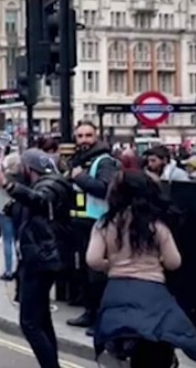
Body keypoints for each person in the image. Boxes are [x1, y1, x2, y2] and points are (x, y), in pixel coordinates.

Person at [87, 170, 196, 368]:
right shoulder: (156, 226)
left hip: (116, 291)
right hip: (153, 294)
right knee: (159, 341)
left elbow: (93, 259)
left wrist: (112, 265)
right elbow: (174, 262)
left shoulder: (104, 224)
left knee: (117, 344)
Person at [0, 149, 74, 368]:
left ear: (29, 168)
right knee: (41, 320)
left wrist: (8, 185)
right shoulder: (44, 184)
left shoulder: (50, 185)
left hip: (42, 259)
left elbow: (39, 201)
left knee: (29, 322)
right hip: (38, 257)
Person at [66, 120, 118, 333]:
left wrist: (80, 177)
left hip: (98, 222)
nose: (84, 140)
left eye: (88, 135)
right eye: (80, 136)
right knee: (84, 272)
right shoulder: (79, 160)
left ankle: (100, 319)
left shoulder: (105, 161)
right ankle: (89, 313)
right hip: (80, 222)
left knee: (97, 274)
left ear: (96, 137)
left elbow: (105, 189)